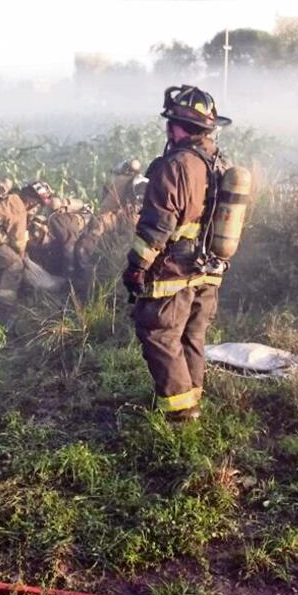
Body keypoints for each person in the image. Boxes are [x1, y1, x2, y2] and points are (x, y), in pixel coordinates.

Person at [122, 86, 232, 422]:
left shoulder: (176, 165)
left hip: (174, 268)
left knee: (159, 332)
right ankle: (190, 397)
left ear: (177, 126)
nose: (168, 129)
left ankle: (182, 416)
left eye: (171, 123)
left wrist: (136, 267)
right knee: (191, 335)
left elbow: (157, 225)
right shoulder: (218, 160)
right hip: (208, 269)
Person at [0, 179, 53, 313]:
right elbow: (18, 241)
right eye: (38, 204)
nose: (37, 207)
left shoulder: (13, 196)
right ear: (32, 200)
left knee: (5, 255)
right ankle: (5, 302)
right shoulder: (19, 209)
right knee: (15, 264)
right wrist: (22, 257)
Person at [74, 158, 147, 277]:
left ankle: (83, 265)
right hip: (144, 221)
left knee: (99, 224)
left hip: (129, 219)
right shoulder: (143, 181)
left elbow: (106, 208)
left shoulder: (120, 180)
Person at [33, 196, 91, 278]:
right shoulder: (52, 224)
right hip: (72, 230)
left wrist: (68, 274)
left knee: (80, 257)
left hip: (85, 228)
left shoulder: (58, 223)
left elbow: (69, 249)